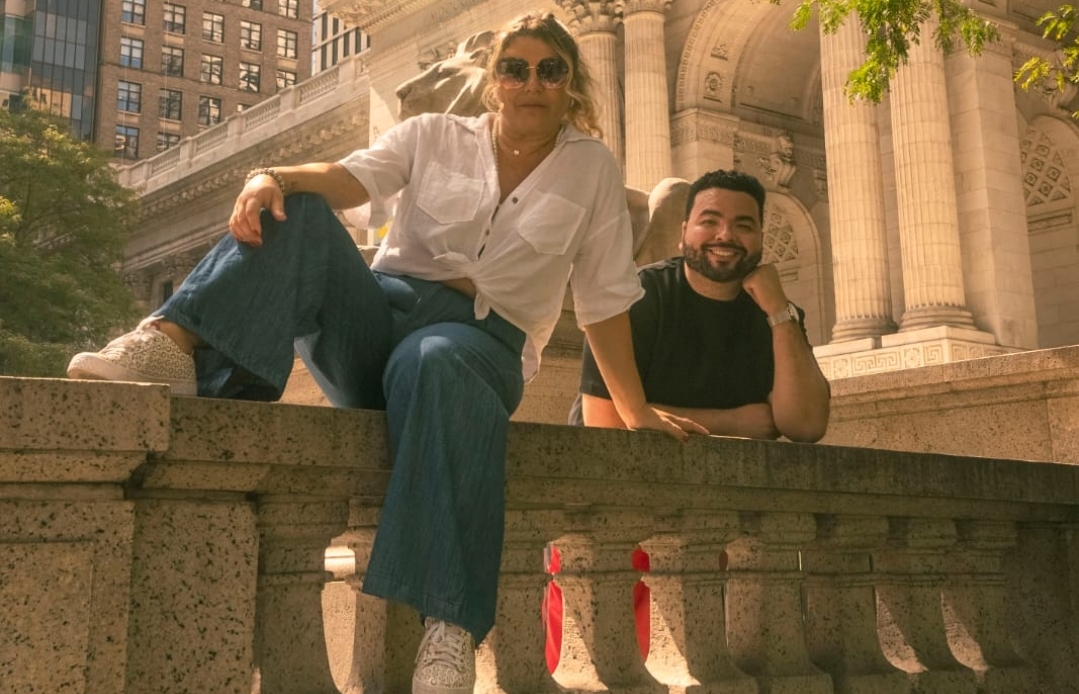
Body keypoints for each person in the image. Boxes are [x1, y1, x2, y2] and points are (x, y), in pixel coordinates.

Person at [67, 13, 704, 694]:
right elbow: (349, 179)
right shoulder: (433, 134)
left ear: (570, 83)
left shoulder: (592, 169)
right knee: (299, 207)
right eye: (515, 68)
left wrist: (634, 408)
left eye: (550, 70)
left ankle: (449, 628)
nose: (532, 84)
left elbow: (604, 301)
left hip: (481, 339)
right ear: (494, 80)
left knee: (435, 359)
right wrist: (271, 174)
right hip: (381, 315)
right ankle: (171, 347)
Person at [571, 169, 831, 443]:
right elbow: (605, 422)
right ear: (683, 233)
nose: (725, 235)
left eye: (743, 225)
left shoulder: (777, 313)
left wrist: (779, 313)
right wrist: (734, 423)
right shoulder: (635, 297)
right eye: (709, 221)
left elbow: (807, 426)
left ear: (761, 238)